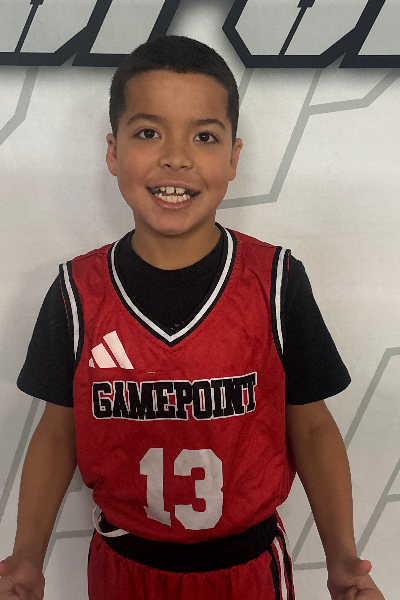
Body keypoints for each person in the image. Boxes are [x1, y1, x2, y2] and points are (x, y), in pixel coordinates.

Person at [0, 35, 384, 600]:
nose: (176, 157)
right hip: (123, 569)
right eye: (148, 132)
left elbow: (311, 426)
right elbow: (59, 432)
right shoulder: (76, 293)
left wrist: (343, 558)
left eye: (204, 136)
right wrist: (27, 556)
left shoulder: (276, 281)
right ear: (113, 152)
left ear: (233, 158)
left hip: (247, 569)